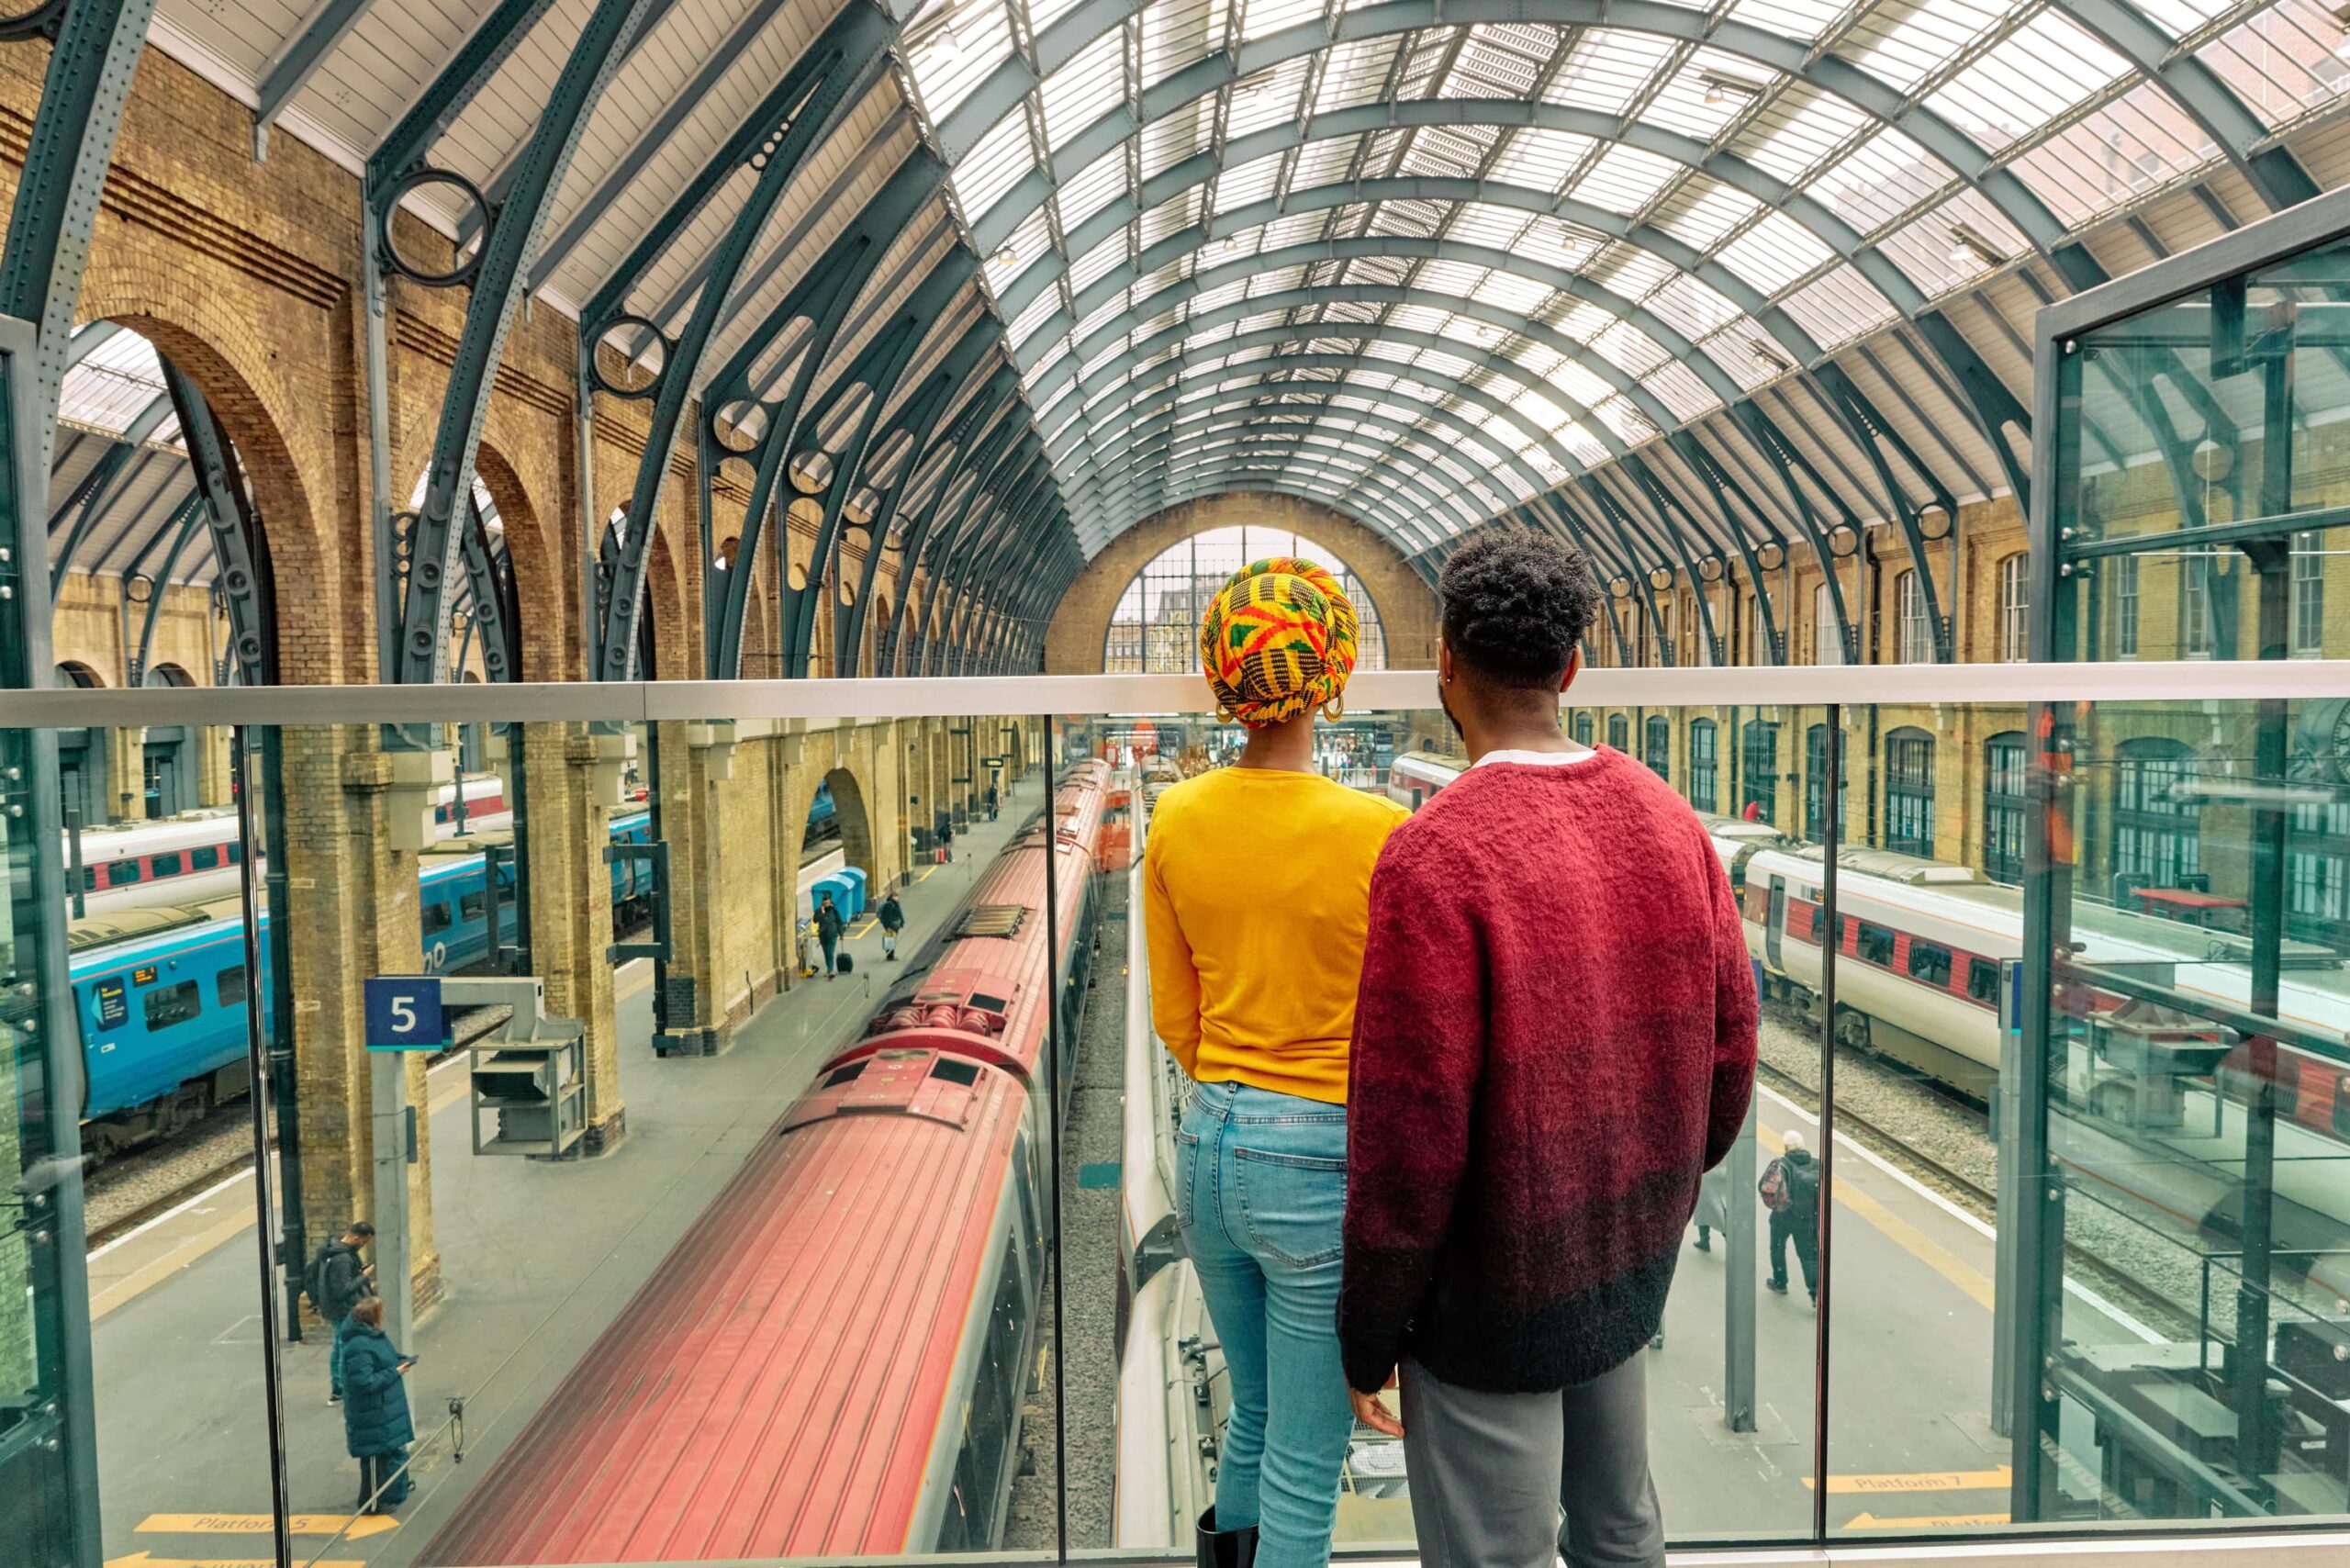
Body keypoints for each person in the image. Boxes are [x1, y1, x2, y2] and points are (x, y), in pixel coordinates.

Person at [1338, 532, 1759, 1568]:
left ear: (1444, 662)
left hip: (1491, 1295)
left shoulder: (1432, 856)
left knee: (1496, 1551)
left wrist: (1371, 1327)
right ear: (1571, 666)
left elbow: (1407, 1135)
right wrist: (1647, 1190)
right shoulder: (1669, 818)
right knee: (1621, 1527)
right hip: (1624, 1259)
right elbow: (1733, 1049)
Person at [1143, 556, 1405, 1568]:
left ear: (1221, 685)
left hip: (1208, 1140)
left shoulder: (1176, 816)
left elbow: (1177, 1014)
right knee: (1309, 1455)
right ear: (1331, 682)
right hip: (1317, 1154)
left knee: (1250, 1417)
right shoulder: (1378, 832)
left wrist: (1235, 1087)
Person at [340, 1296, 416, 1513]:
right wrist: (395, 1371)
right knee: (374, 1458)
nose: (384, 1317)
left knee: (388, 1454)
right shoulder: (358, 1346)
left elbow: (384, 1359)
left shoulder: (371, 1336)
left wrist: (400, 1360)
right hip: (371, 1412)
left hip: (382, 1409)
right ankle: (370, 1504)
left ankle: (390, 1493)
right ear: (373, 1317)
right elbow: (364, 1382)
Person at [307, 1220, 375, 1406]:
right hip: (343, 1309)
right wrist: (364, 1276)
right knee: (344, 1348)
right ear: (355, 1237)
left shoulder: (333, 1250)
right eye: (363, 1242)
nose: (363, 1246)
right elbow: (342, 1290)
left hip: (333, 1308)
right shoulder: (342, 1258)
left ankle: (340, 1388)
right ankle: (341, 1389)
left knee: (340, 1345)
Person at [1762, 1129, 1822, 1304]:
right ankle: (1814, 1292)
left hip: (1783, 1216)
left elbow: (1766, 1187)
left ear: (1786, 1147)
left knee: (1778, 1248)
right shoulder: (1817, 1164)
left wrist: (1777, 1204)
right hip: (1808, 1218)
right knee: (1808, 1255)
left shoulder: (1781, 1165)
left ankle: (1780, 1282)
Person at [1692, 1160, 1731, 1253]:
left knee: (1704, 1208)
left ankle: (1705, 1240)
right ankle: (1705, 1241)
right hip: (1723, 1170)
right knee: (1721, 1208)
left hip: (1708, 1173)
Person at [814, 892, 844, 980]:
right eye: (825, 903)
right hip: (823, 935)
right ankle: (829, 969)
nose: (826, 905)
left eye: (828, 903)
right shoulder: (819, 911)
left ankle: (831, 970)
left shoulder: (834, 910)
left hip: (832, 935)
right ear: (822, 903)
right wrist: (822, 913)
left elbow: (839, 922)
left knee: (830, 952)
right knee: (826, 953)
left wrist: (841, 933)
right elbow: (815, 920)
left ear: (830, 902)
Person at [878, 890, 905, 960]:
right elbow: (888, 917)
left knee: (892, 940)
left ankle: (891, 955)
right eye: (895, 896)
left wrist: (902, 922)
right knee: (890, 940)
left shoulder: (896, 904)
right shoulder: (889, 905)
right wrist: (888, 927)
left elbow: (899, 914)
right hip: (891, 926)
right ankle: (890, 956)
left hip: (895, 925)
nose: (897, 897)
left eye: (897, 896)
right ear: (892, 897)